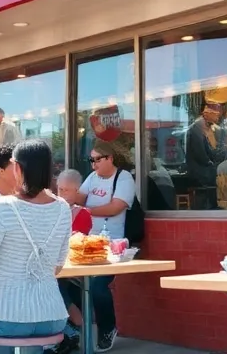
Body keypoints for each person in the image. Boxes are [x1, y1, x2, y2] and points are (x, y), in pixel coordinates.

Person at [0, 138, 71, 354]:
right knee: (23, 334)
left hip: (6, 317)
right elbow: (56, 267)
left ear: (17, 168)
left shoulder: (2, 206)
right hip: (53, 317)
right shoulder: (63, 208)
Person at [74, 142, 136, 352]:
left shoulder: (124, 178)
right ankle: (75, 330)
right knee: (73, 285)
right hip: (86, 243)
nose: (93, 165)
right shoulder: (92, 178)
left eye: (97, 160)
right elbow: (77, 199)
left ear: (109, 158)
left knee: (99, 287)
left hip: (112, 244)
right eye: (90, 160)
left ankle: (107, 329)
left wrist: (86, 211)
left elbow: (115, 207)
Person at [54, 169, 94, 354]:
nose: (61, 194)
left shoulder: (82, 213)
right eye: (59, 189)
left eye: (66, 190)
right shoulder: (51, 209)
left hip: (72, 265)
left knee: (55, 285)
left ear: (77, 190)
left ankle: (76, 326)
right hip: (54, 265)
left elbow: (75, 240)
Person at [185, 102, 227, 208]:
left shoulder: (212, 128)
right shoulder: (197, 128)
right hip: (199, 171)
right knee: (222, 178)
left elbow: (214, 152)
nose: (218, 117)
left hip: (206, 168)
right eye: (216, 114)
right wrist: (215, 166)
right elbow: (201, 156)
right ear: (207, 114)